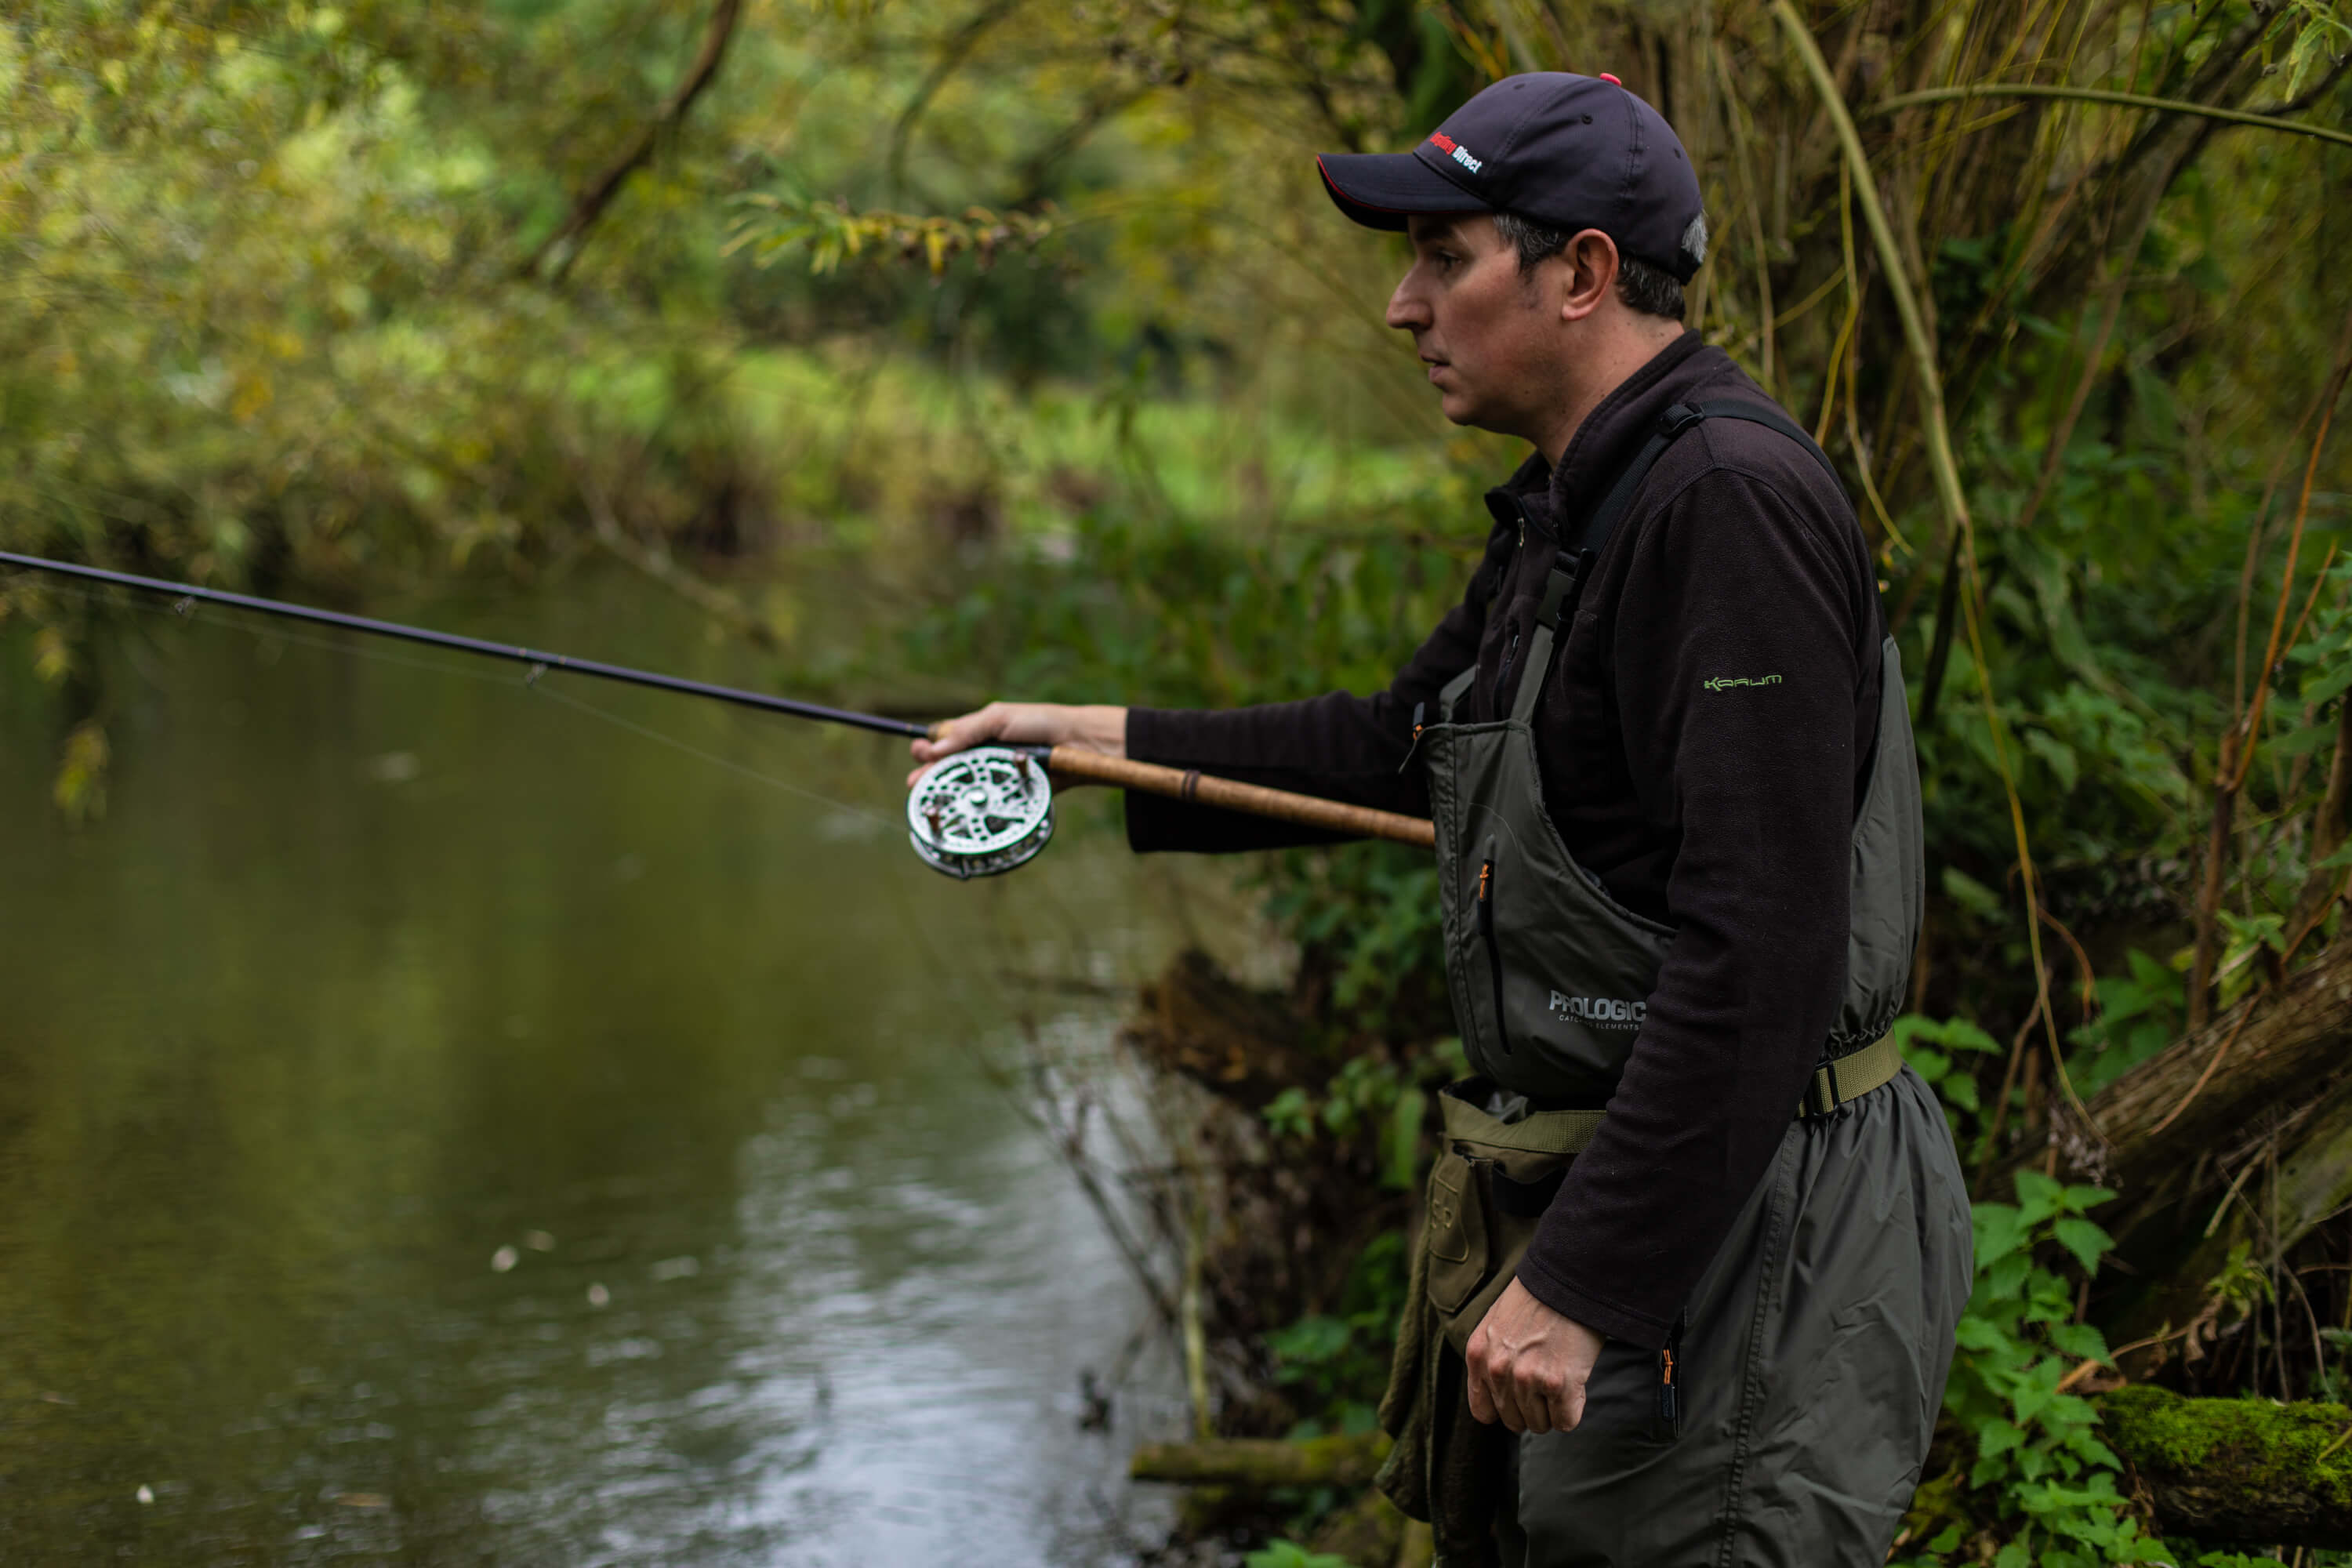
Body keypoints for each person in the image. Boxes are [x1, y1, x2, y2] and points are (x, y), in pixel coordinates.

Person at [913, 72, 1972, 1568]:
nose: (1403, 309)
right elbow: (1399, 749)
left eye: (1444, 257)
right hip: (1648, 1201)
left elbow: (1767, 950)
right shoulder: (1577, 500)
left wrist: (1591, 1281)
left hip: (1751, 1247)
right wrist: (1085, 743)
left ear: (1584, 272)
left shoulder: (1726, 504)